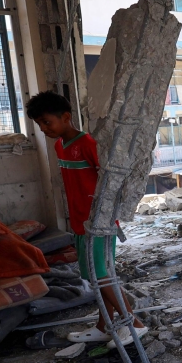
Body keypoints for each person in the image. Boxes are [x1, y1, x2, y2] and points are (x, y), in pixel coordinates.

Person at [26, 91, 147, 348]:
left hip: (100, 223)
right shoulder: (60, 146)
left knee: (103, 276)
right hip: (81, 223)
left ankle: (134, 323)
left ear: (66, 117)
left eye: (47, 122)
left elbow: (111, 182)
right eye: (39, 125)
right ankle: (105, 327)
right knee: (94, 277)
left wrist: (108, 216)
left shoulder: (89, 143)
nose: (44, 128)